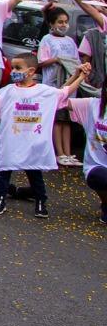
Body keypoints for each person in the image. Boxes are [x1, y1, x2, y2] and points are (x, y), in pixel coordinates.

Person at [0, 53, 89, 219]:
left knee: (34, 172)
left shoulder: (43, 91)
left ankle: (40, 201)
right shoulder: (7, 91)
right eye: (13, 67)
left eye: (18, 68)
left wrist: (79, 76)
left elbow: (63, 92)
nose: (13, 71)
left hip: (32, 143)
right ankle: (0, 198)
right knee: (4, 171)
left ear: (31, 71)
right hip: (11, 140)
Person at [37, 5, 81, 166]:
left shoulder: (70, 41)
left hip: (69, 84)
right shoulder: (47, 40)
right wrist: (57, 59)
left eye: (65, 22)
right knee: (57, 119)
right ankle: (59, 152)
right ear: (51, 24)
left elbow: (76, 61)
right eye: (60, 22)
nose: (63, 25)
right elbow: (41, 62)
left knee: (66, 119)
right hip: (54, 84)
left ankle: (68, 153)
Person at [62, 87, 107, 224]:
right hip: (97, 166)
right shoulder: (93, 105)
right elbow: (58, 100)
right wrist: (77, 76)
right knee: (98, 177)